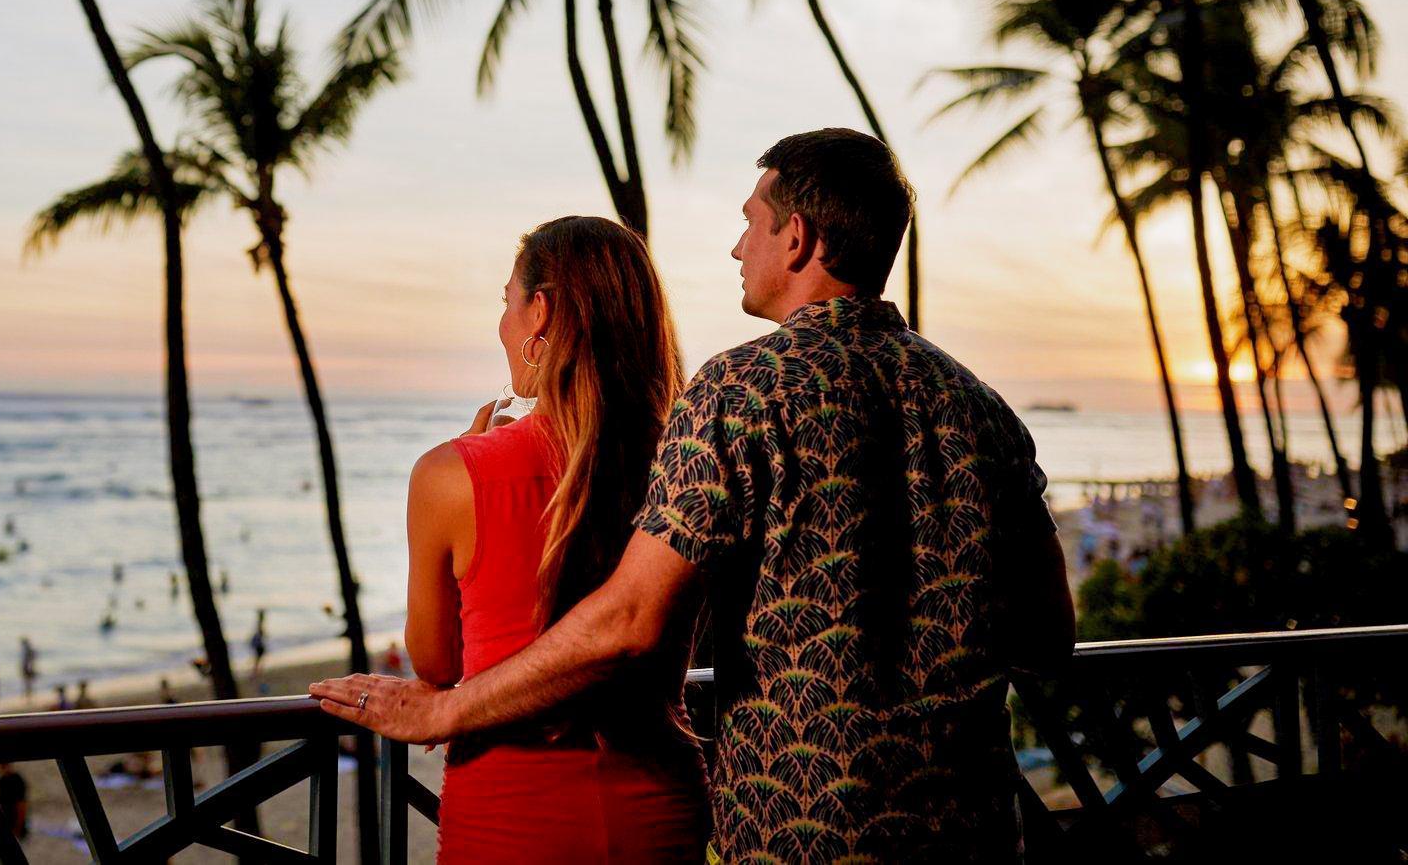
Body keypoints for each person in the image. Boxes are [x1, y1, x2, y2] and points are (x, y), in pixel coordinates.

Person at [314, 130, 1075, 865]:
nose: (738, 247)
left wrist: (443, 709)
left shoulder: (744, 390)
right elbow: (1048, 637)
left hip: (803, 828)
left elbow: (631, 620)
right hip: (971, 825)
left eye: (751, 224)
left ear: (798, 238)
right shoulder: (977, 404)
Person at [408, 215, 708, 861]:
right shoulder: (683, 463)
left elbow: (437, 664)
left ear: (538, 311)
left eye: (507, 302)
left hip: (509, 814)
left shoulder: (449, 474)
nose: (503, 324)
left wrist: (475, 455)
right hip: (658, 809)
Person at [0, 764, 29, 839]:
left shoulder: (16, 780)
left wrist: (18, 827)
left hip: (16, 823)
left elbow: (21, 805)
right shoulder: (2, 780)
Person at [250, 609, 269, 678]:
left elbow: (260, 636)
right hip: (259, 646)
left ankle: (256, 673)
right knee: (258, 661)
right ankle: (256, 673)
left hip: (259, 646)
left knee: (258, 660)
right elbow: (261, 635)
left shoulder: (259, 625)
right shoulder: (260, 625)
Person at [19, 636, 38, 702]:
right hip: (28, 667)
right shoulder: (28, 649)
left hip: (27, 667)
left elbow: (28, 659)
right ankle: (28, 696)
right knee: (27, 682)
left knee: (27, 682)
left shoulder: (27, 649)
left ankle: (28, 697)